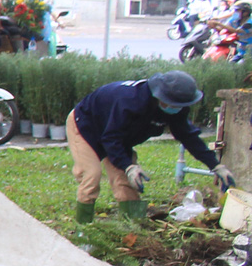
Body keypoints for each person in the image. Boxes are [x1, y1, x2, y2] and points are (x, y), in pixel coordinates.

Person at [67, 71, 234, 223]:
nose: (177, 108)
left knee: (127, 181)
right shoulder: (130, 101)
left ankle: (134, 226)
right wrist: (129, 166)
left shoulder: (175, 108)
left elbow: (188, 137)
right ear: (160, 95)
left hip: (119, 136)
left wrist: (216, 166)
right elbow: (110, 138)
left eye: (180, 105)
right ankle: (83, 229)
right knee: (91, 175)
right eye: (173, 104)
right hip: (86, 127)